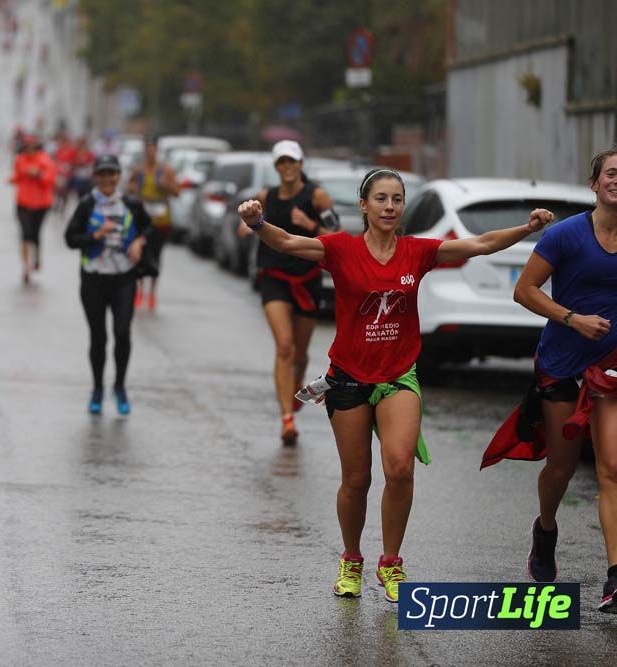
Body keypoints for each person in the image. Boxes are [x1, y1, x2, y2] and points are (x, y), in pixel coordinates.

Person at [238, 168, 554, 603]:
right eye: (381, 199)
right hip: (347, 377)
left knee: (400, 467)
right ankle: (351, 559)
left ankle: (391, 562)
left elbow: (479, 244)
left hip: (398, 375)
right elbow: (289, 243)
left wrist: (528, 227)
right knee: (356, 480)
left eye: (397, 199)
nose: (389, 207)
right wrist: (258, 223)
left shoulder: (416, 252)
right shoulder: (340, 248)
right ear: (364, 206)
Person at [482, 147, 617, 613]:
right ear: (595, 183)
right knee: (559, 468)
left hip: (612, 370)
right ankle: (545, 530)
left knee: (612, 469)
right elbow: (524, 290)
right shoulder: (565, 236)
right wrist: (573, 318)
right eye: (611, 174)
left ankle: (615, 578)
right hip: (562, 364)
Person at [237, 140, 340, 446]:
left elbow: (335, 236)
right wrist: (246, 225)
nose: (287, 167)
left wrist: (308, 224)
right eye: (281, 162)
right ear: (276, 166)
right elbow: (248, 223)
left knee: (299, 351)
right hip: (274, 278)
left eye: (291, 161)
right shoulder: (266, 197)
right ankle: (287, 419)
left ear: (301, 164)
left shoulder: (317, 195)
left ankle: (295, 382)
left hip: (307, 278)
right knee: (284, 346)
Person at [65, 154, 152, 415]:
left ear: (118, 176)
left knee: (122, 332)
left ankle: (120, 386)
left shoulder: (131, 204)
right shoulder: (87, 204)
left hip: (124, 278)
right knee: (99, 337)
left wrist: (138, 242)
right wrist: (94, 236)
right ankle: (97, 389)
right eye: (102, 174)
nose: (107, 179)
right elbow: (70, 238)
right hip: (93, 279)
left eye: (111, 173)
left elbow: (149, 228)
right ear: (95, 177)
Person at [127, 136, 179, 310]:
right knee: (139, 253)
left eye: (153, 148)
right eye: (147, 148)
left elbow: (177, 192)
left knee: (156, 255)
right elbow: (129, 187)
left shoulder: (166, 170)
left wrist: (167, 185)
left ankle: (152, 292)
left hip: (161, 219)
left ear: (157, 150)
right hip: (142, 219)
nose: (150, 152)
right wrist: (133, 188)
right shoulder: (139, 169)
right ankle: (139, 290)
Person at [10, 135, 56, 284]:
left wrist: (38, 174)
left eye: (32, 147)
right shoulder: (20, 159)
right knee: (25, 234)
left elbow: (50, 180)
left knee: (36, 234)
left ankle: (37, 258)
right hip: (23, 202)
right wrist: (14, 178)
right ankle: (26, 267)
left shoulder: (45, 160)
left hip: (41, 204)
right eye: (26, 147)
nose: (29, 151)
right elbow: (16, 177)